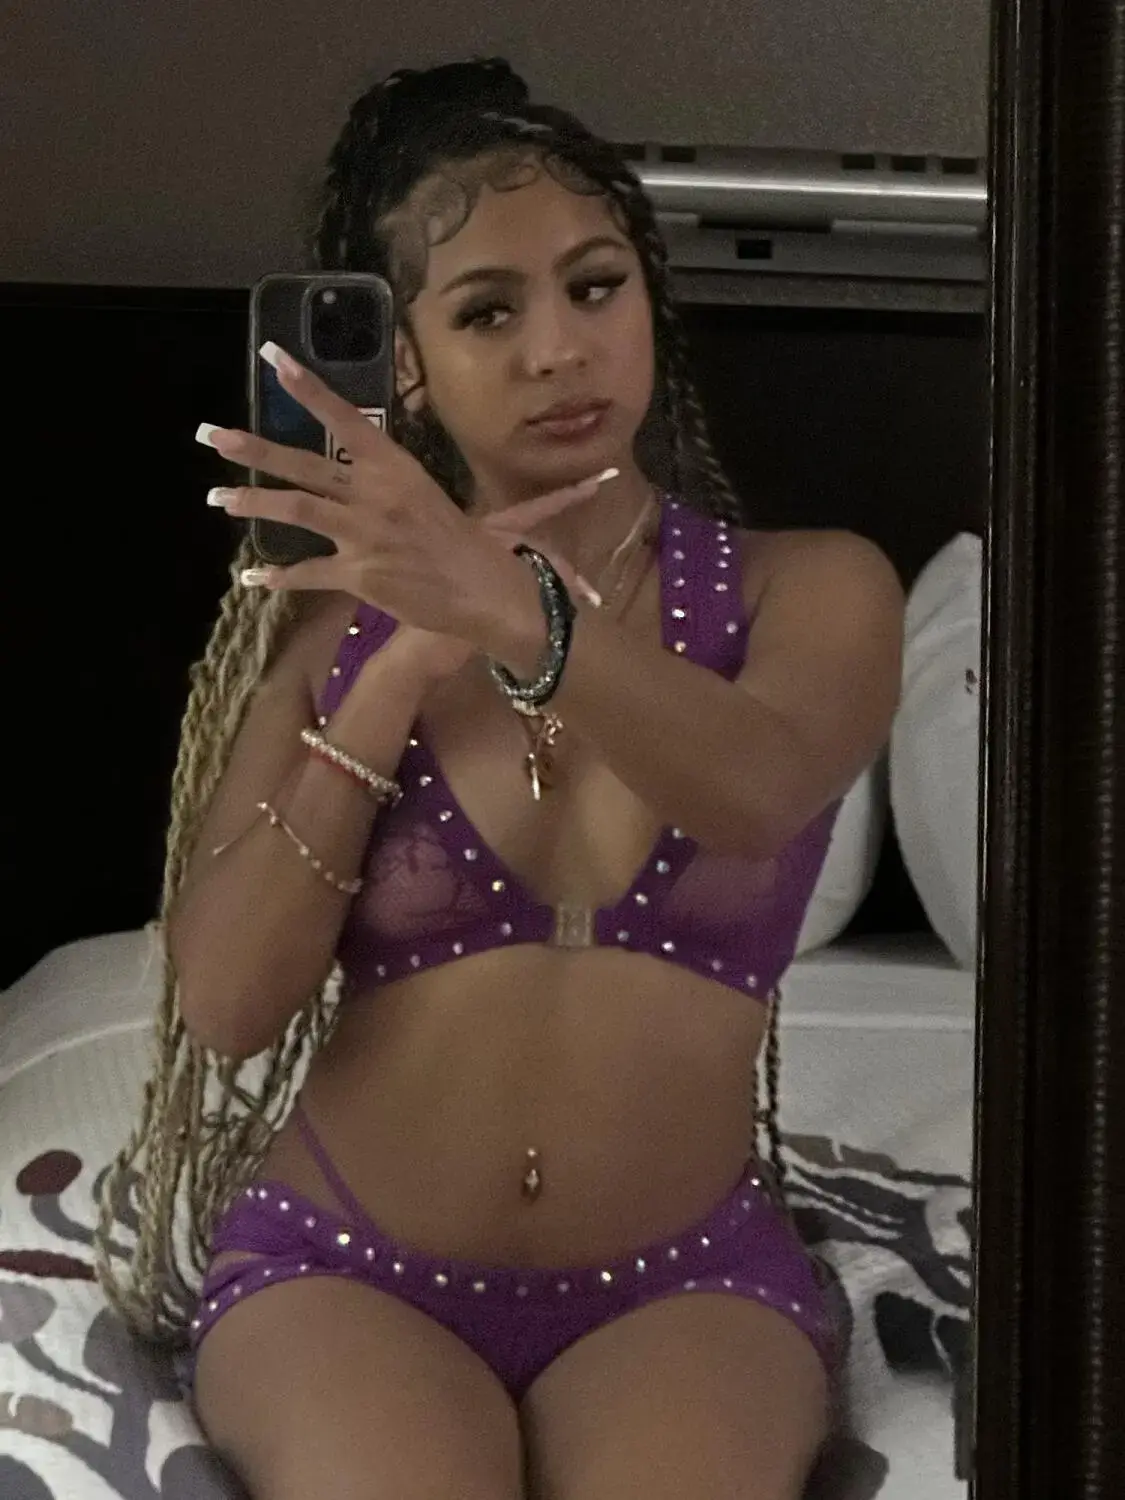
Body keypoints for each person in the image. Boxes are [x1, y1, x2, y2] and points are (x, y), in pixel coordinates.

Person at [93, 57, 904, 1500]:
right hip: (351, 1271)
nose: (558, 349)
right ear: (404, 363)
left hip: (682, 1285)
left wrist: (517, 615)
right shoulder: (324, 632)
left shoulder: (810, 589)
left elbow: (761, 790)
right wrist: (396, 667)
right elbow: (224, 1003)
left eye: (595, 287)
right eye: (487, 311)